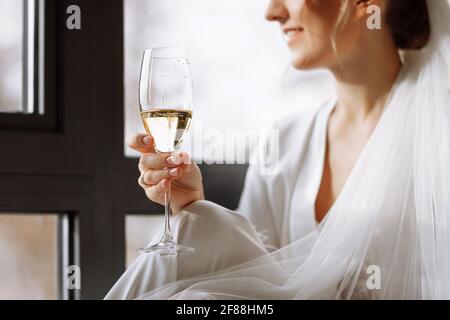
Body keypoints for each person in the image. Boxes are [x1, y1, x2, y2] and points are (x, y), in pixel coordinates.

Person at [106, 0, 450, 299]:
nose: (272, 12)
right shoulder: (286, 141)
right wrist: (194, 205)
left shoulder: (437, 133)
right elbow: (253, 278)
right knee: (196, 225)